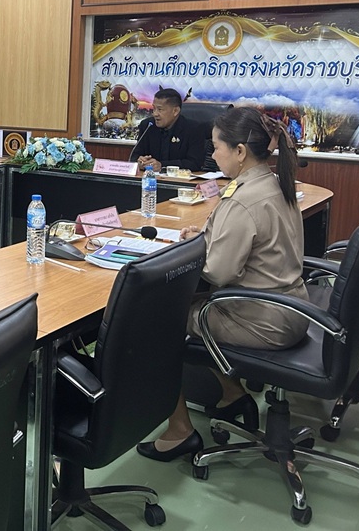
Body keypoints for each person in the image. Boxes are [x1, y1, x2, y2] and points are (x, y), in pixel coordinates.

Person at [137, 106, 307, 462]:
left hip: (261, 319)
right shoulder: (273, 184)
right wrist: (204, 238)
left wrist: (189, 252)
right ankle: (232, 393)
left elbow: (218, 272)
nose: (212, 155)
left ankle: (179, 430)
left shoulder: (242, 199)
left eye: (216, 148)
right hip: (291, 309)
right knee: (190, 306)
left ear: (240, 151)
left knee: (154, 321)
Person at [129, 88, 206, 172]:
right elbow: (134, 156)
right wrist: (140, 162)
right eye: (154, 108)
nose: (155, 114)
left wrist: (162, 166)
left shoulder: (193, 129)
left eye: (160, 109)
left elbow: (195, 163)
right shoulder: (148, 126)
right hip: (150, 177)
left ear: (175, 111)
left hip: (179, 179)